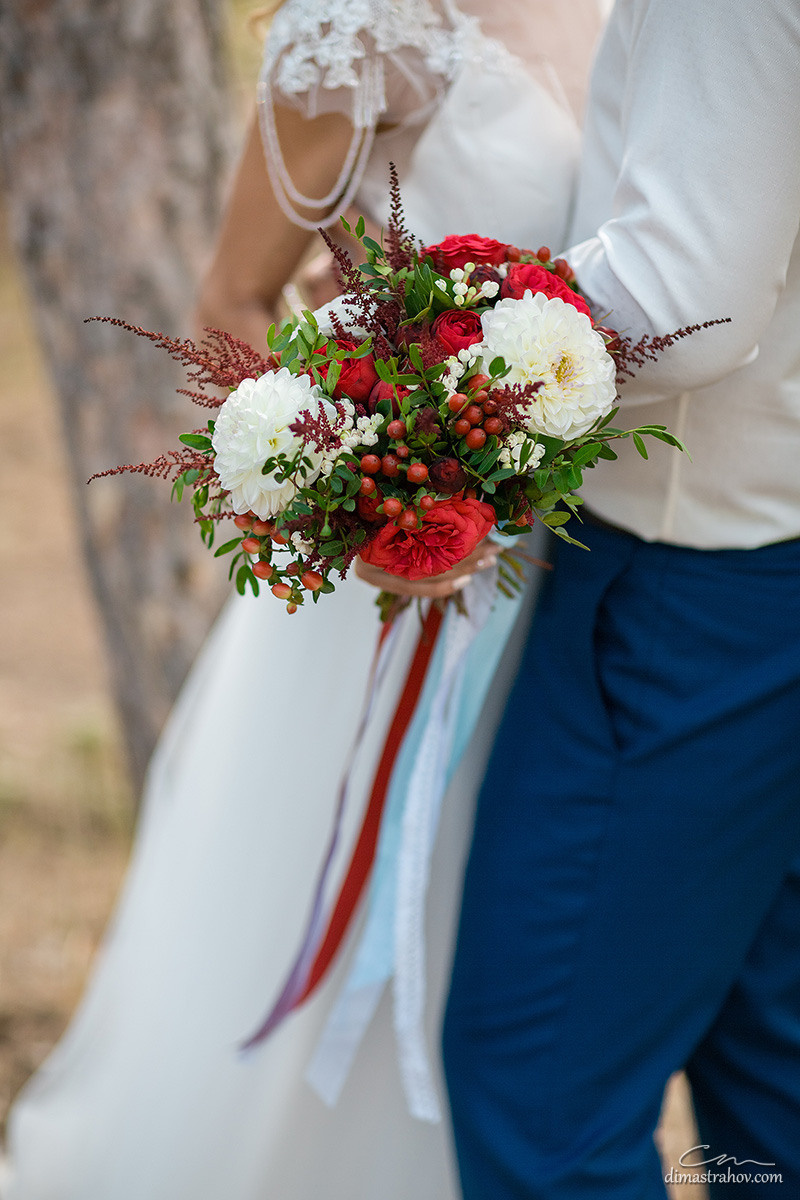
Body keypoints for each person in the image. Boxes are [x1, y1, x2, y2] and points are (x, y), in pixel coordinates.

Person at [2, 3, 606, 1198]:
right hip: (392, 591)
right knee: (321, 925)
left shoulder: (647, 18)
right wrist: (360, 505)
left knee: (514, 945)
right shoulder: (363, 28)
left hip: (572, 575)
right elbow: (229, 307)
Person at [362, 0, 800, 1195]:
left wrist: (408, 384)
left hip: (688, 589)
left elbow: (679, 295)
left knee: (540, 1098)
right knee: (771, 1079)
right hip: (763, 553)